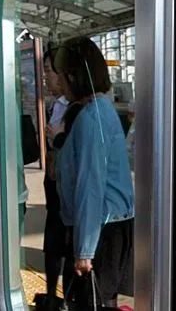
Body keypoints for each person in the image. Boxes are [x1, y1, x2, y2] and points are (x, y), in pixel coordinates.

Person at [53, 37, 134, 308]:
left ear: (74, 76)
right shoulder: (102, 110)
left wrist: (85, 250)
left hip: (101, 229)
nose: (58, 81)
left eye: (61, 74)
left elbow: (91, 185)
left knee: (90, 302)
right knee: (103, 300)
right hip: (110, 226)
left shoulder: (90, 119)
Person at [35, 50, 71, 311]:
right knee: (53, 241)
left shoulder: (81, 108)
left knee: (68, 242)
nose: (46, 76)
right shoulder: (55, 105)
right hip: (53, 183)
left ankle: (67, 297)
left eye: (49, 70)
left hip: (68, 185)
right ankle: (51, 294)